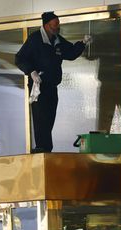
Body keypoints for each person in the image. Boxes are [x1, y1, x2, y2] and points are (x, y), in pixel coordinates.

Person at [16, 12, 91, 153]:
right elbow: (20, 58)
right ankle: (42, 148)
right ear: (46, 25)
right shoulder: (35, 39)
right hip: (38, 86)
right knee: (40, 117)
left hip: (51, 86)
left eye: (58, 25)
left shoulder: (57, 40)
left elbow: (70, 53)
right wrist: (31, 72)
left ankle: (46, 148)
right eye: (55, 25)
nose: (57, 27)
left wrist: (83, 43)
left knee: (50, 117)